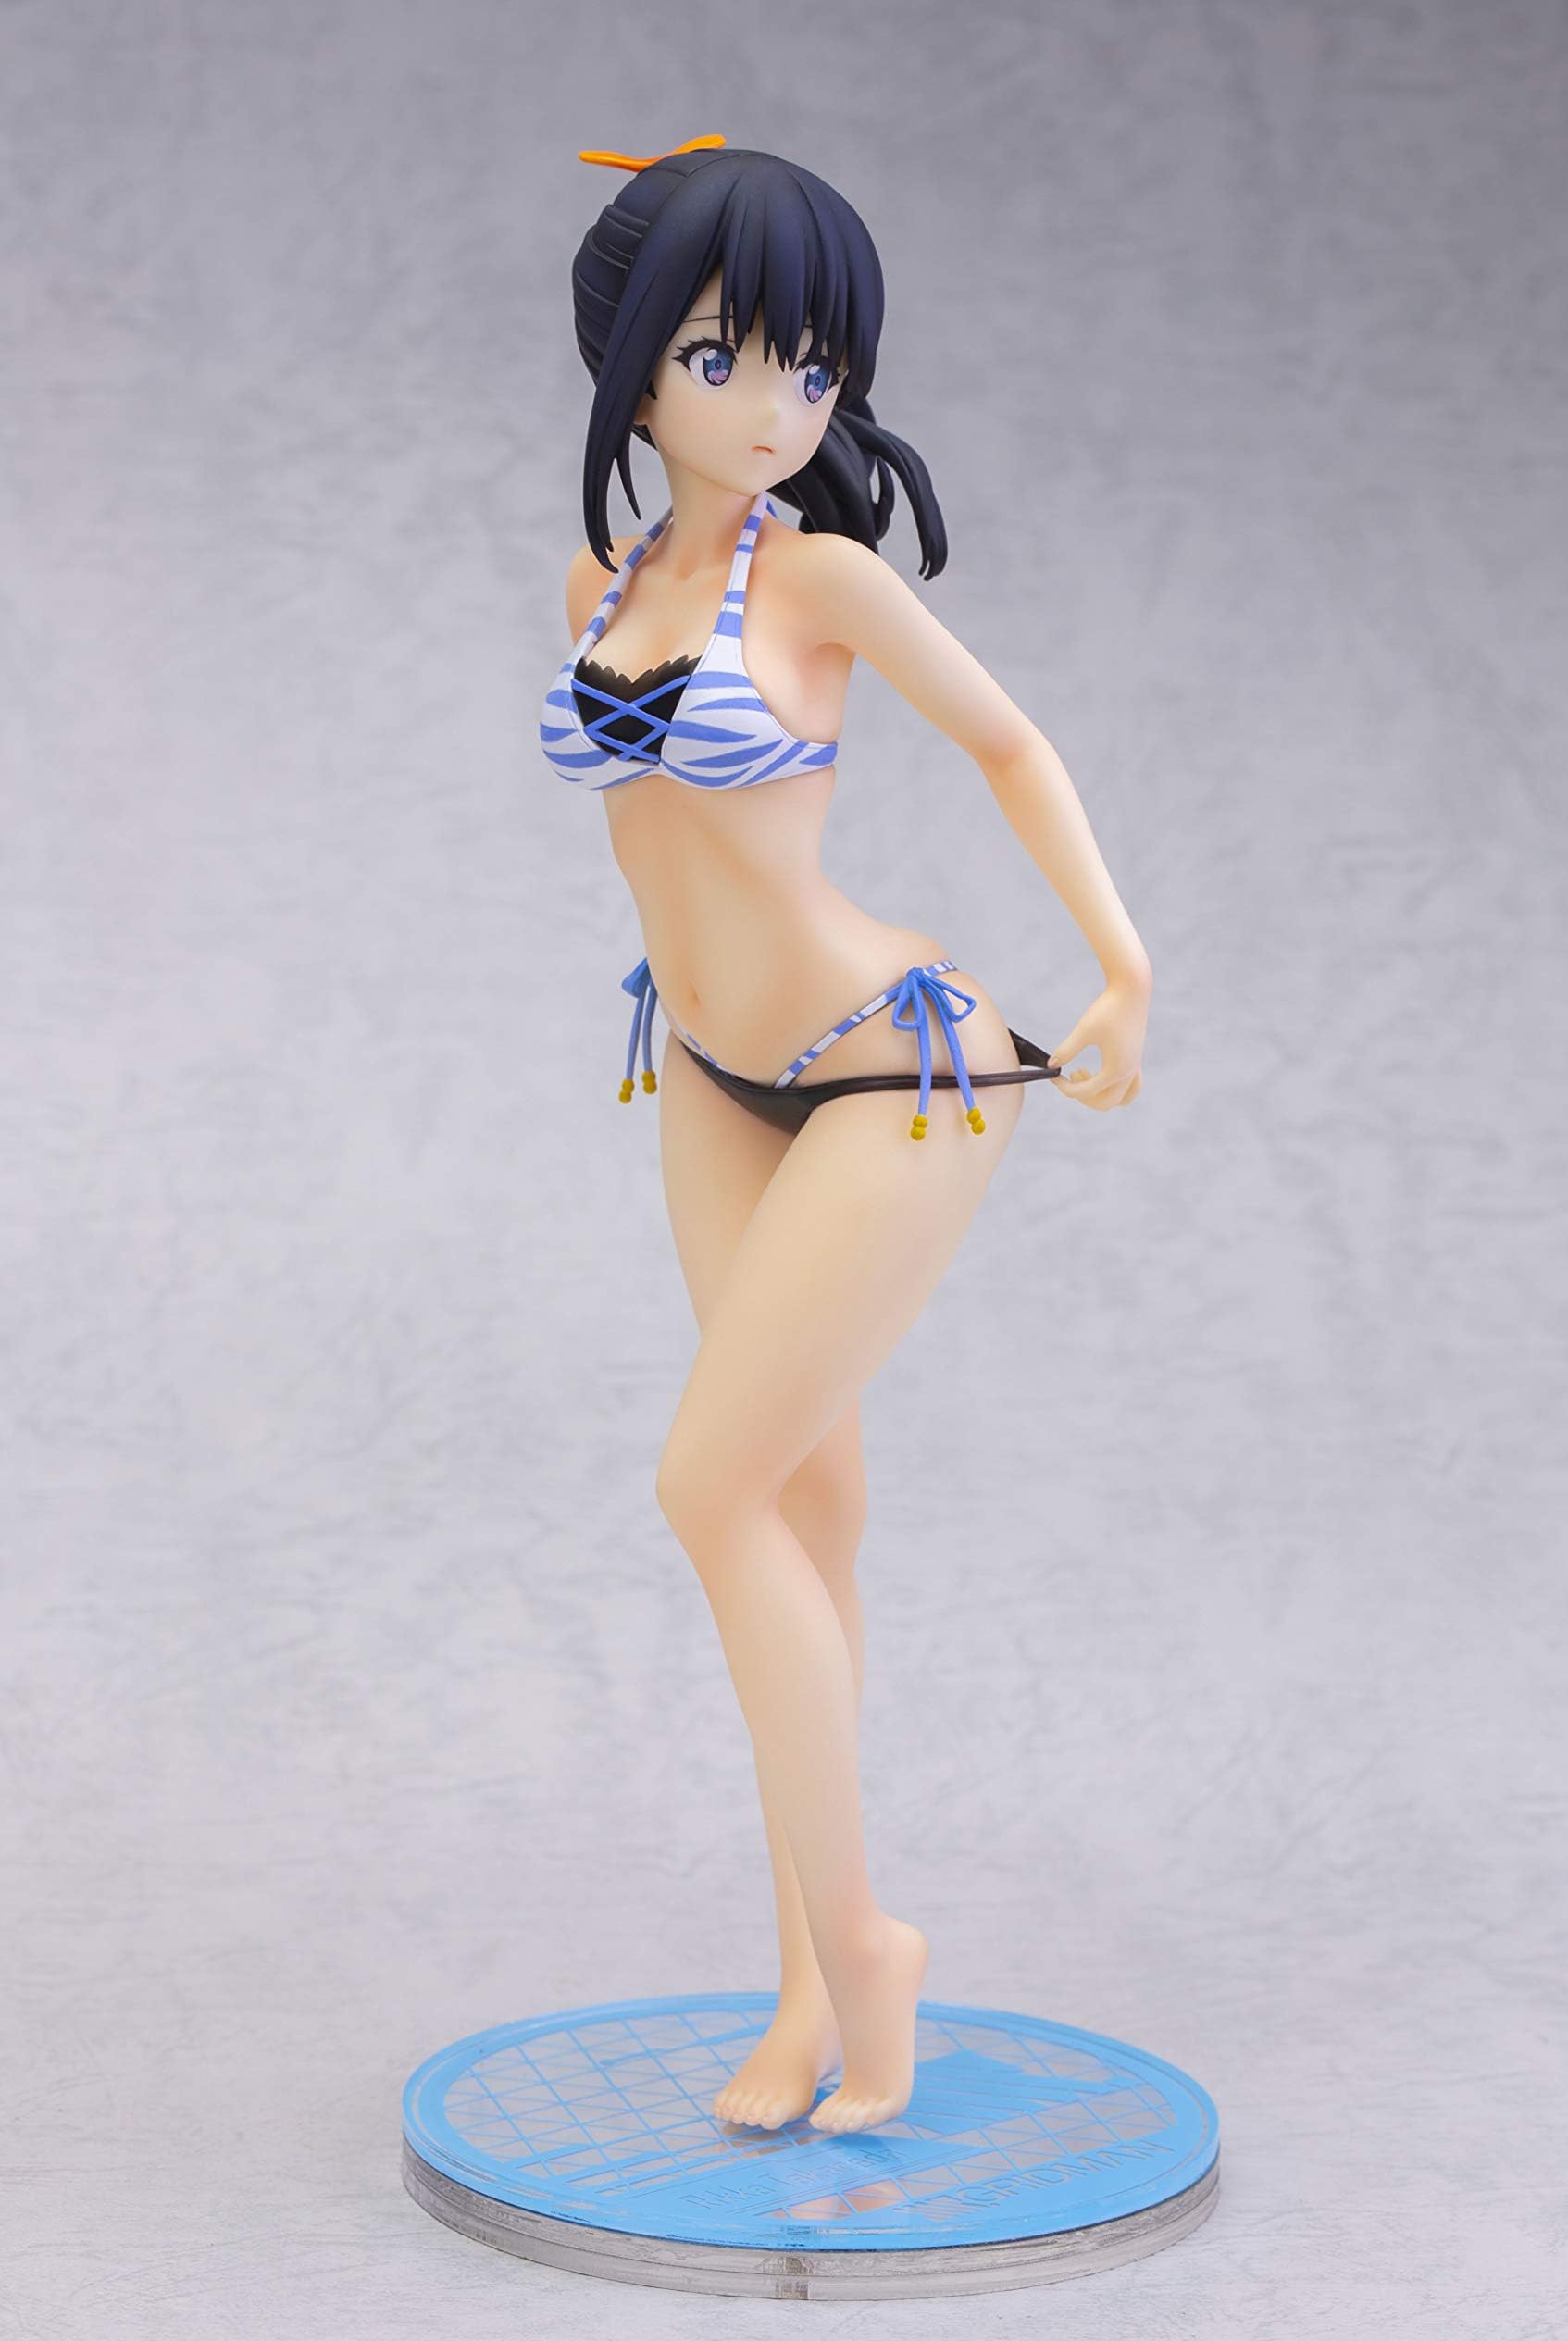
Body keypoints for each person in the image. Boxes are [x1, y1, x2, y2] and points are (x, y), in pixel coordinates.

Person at [540, 135, 1151, 2135]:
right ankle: (807, 1989)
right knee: (799, 1513)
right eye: (724, 356)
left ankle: (870, 1944)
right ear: (635, 360)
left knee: (707, 1487)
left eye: (810, 368)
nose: (777, 406)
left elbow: (1007, 741)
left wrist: (1121, 966)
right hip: (712, 1075)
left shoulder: (817, 577)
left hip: (895, 1071)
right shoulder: (604, 583)